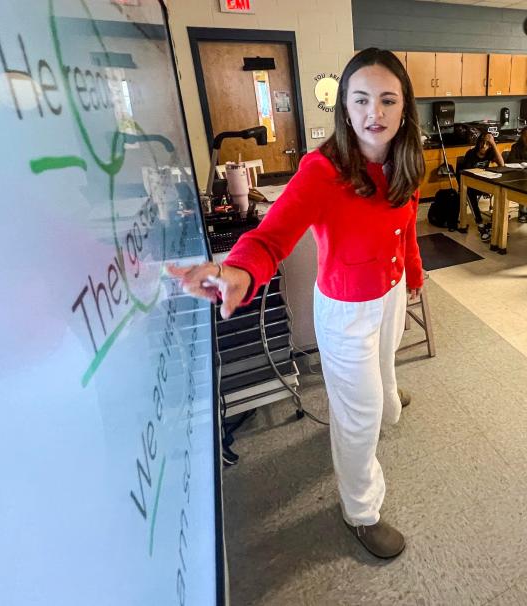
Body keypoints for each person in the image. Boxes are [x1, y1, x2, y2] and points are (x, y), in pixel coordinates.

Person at [167, 48, 424, 560]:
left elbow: (407, 224)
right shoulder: (322, 169)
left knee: (385, 368)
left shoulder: (406, 158)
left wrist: (413, 272)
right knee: (358, 414)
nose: (375, 113)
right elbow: (270, 236)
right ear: (346, 109)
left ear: (403, 108)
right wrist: (238, 270)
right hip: (347, 311)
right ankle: (361, 512)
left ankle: (387, 402)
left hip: (391, 293)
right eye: (362, 100)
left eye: (387, 100)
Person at [462, 131, 505, 239]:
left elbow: (502, 164)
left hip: (484, 183)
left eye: (487, 143)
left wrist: (494, 144)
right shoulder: (471, 153)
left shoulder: (490, 153)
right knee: (469, 192)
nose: (484, 146)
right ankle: (480, 224)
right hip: (471, 184)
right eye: (482, 142)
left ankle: (496, 222)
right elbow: (467, 171)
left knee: (500, 191)